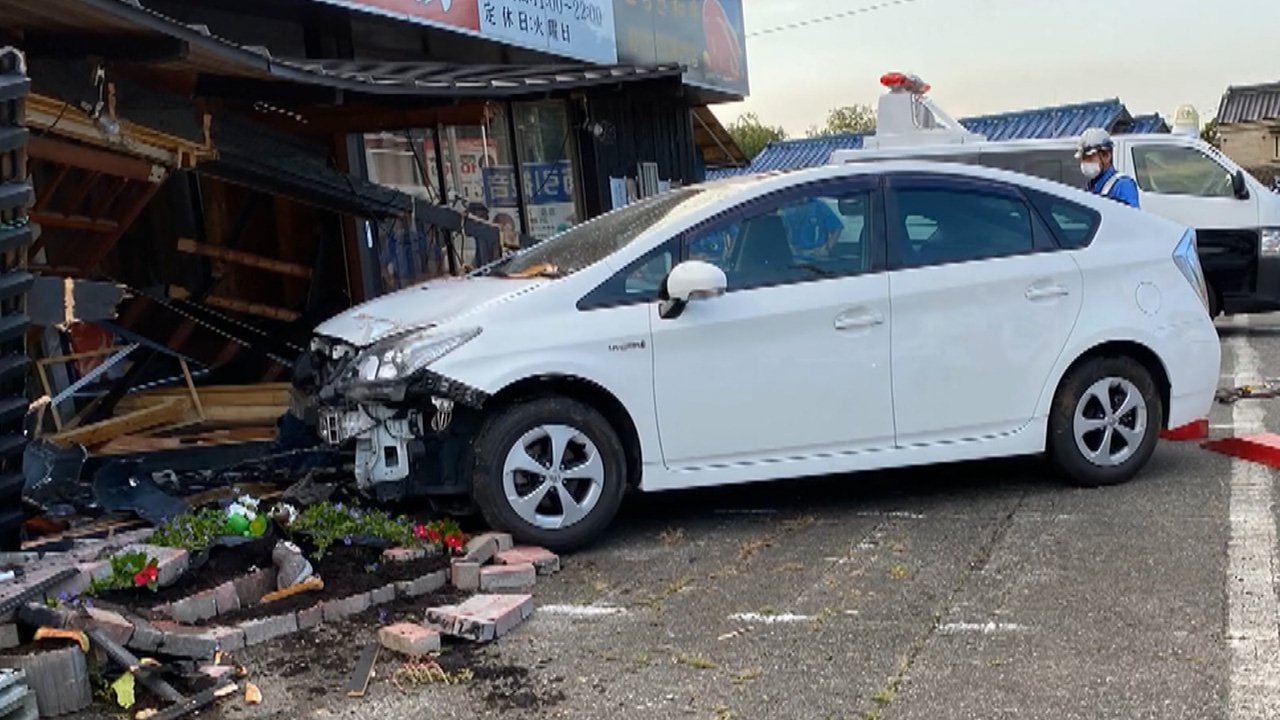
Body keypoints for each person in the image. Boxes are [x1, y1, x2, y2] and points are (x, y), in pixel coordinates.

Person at [1076, 128, 1140, 209]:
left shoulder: (1123, 185)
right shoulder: (1089, 187)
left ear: (1106, 156)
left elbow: (1132, 218)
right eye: (1083, 158)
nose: (1085, 163)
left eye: (1089, 158)